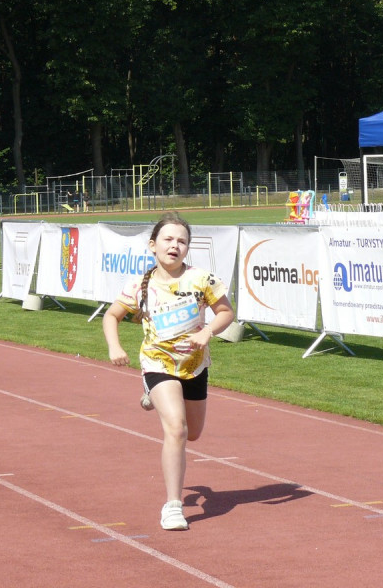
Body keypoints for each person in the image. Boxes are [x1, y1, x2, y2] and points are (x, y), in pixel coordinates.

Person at [101, 212, 234, 531]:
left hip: (194, 366)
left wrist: (207, 333)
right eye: (168, 239)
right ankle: (173, 505)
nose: (175, 245)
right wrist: (114, 347)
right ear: (153, 245)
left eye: (182, 241)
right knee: (176, 429)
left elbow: (226, 312)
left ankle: (152, 397)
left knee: (195, 433)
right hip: (157, 363)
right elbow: (111, 316)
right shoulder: (139, 285)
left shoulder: (202, 279)